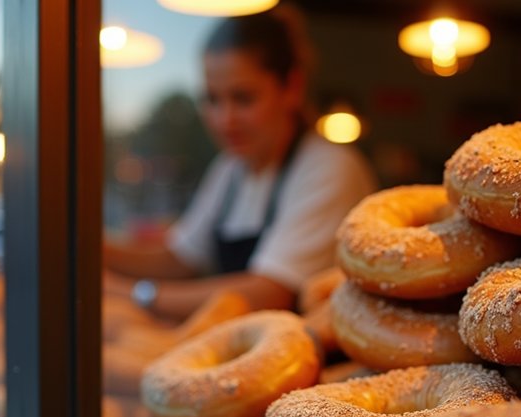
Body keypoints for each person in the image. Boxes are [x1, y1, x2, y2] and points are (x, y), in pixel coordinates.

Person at [104, 5, 378, 322]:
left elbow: (269, 292)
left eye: (243, 98)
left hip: (312, 359)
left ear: (292, 87)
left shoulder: (329, 167)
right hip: (244, 347)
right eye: (213, 100)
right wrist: (94, 249)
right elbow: (179, 257)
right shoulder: (230, 170)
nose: (225, 120)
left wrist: (133, 293)